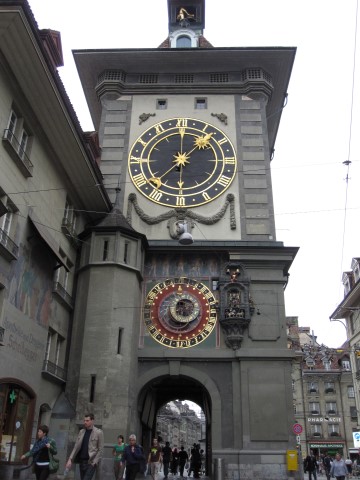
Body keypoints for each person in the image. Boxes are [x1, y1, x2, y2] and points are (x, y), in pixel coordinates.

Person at [65, 413, 104, 480]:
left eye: (87, 420)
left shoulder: (98, 432)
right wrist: (70, 459)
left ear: (92, 421)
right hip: (82, 462)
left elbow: (101, 449)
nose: (85, 422)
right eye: (84, 420)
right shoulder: (81, 432)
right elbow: (76, 446)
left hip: (90, 462)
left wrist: (94, 462)